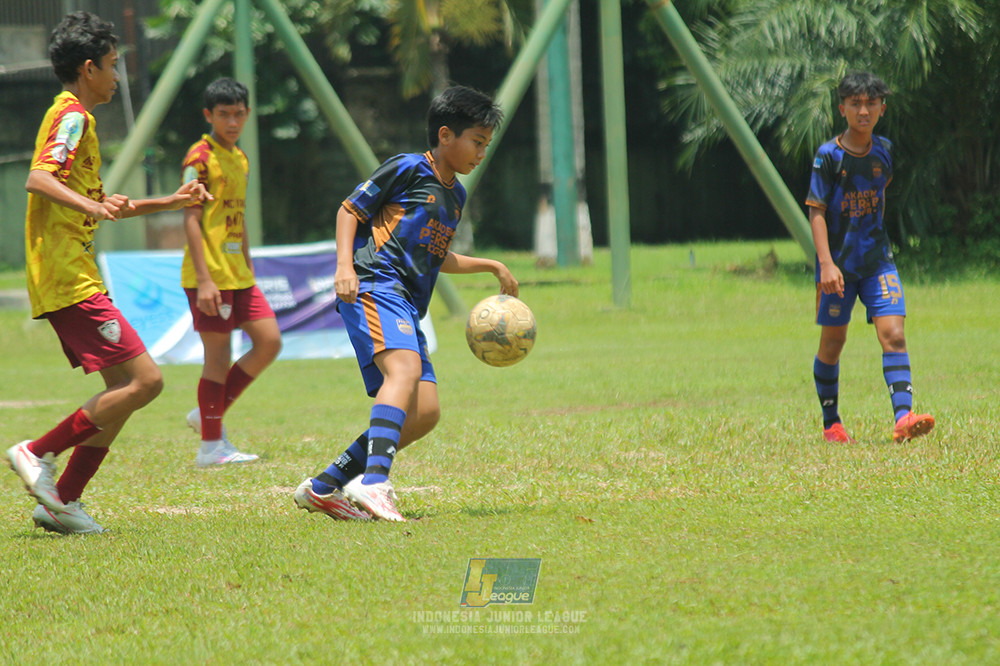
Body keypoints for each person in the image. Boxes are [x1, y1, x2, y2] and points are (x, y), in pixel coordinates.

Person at [6, 11, 212, 534]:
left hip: (72, 271)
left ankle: (64, 501)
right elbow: (37, 178)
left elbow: (101, 204)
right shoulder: (73, 116)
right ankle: (37, 451)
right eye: (113, 67)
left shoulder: (75, 119)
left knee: (120, 389)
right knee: (147, 381)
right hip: (66, 273)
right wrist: (90, 207)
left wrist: (170, 199)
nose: (117, 78)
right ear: (88, 68)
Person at [294, 85, 517, 522]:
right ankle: (375, 483)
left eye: (486, 145)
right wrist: (344, 266)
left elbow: (435, 255)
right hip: (375, 284)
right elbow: (349, 210)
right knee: (404, 371)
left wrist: (490, 265)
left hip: (406, 303)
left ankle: (322, 488)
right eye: (477, 142)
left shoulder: (456, 196)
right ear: (446, 135)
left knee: (425, 412)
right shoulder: (409, 168)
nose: (481, 153)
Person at [806, 71, 935, 444]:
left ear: (882, 108)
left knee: (894, 333)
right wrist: (827, 264)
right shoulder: (828, 156)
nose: (864, 110)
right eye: (856, 103)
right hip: (838, 267)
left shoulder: (884, 151)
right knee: (833, 343)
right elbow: (816, 211)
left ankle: (903, 418)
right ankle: (832, 423)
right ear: (842, 107)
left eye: (871, 103)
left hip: (878, 261)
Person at [180, 77, 281, 467]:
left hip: (239, 274)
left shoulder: (239, 157)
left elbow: (237, 218)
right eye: (224, 115)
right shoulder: (199, 158)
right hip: (210, 277)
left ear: (248, 114)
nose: (233, 122)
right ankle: (211, 447)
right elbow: (191, 219)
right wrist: (205, 279)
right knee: (217, 359)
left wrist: (250, 263)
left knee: (269, 341)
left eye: (239, 114)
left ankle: (207, 414)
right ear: (209, 115)